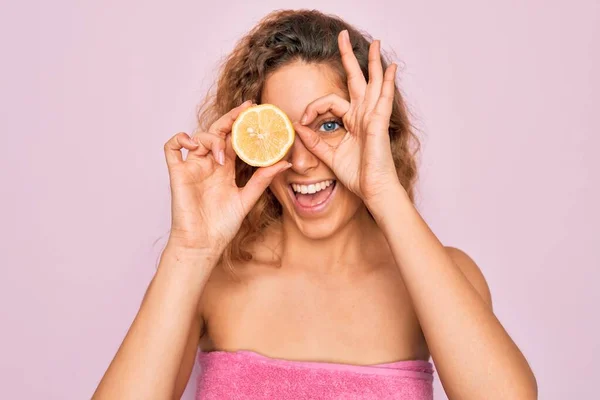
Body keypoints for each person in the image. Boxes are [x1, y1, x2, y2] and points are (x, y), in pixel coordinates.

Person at [93, 9, 537, 400]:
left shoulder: (443, 275)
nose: (302, 162)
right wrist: (190, 251)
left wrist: (382, 190)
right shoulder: (211, 280)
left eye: (328, 125)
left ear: (377, 129)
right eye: (279, 131)